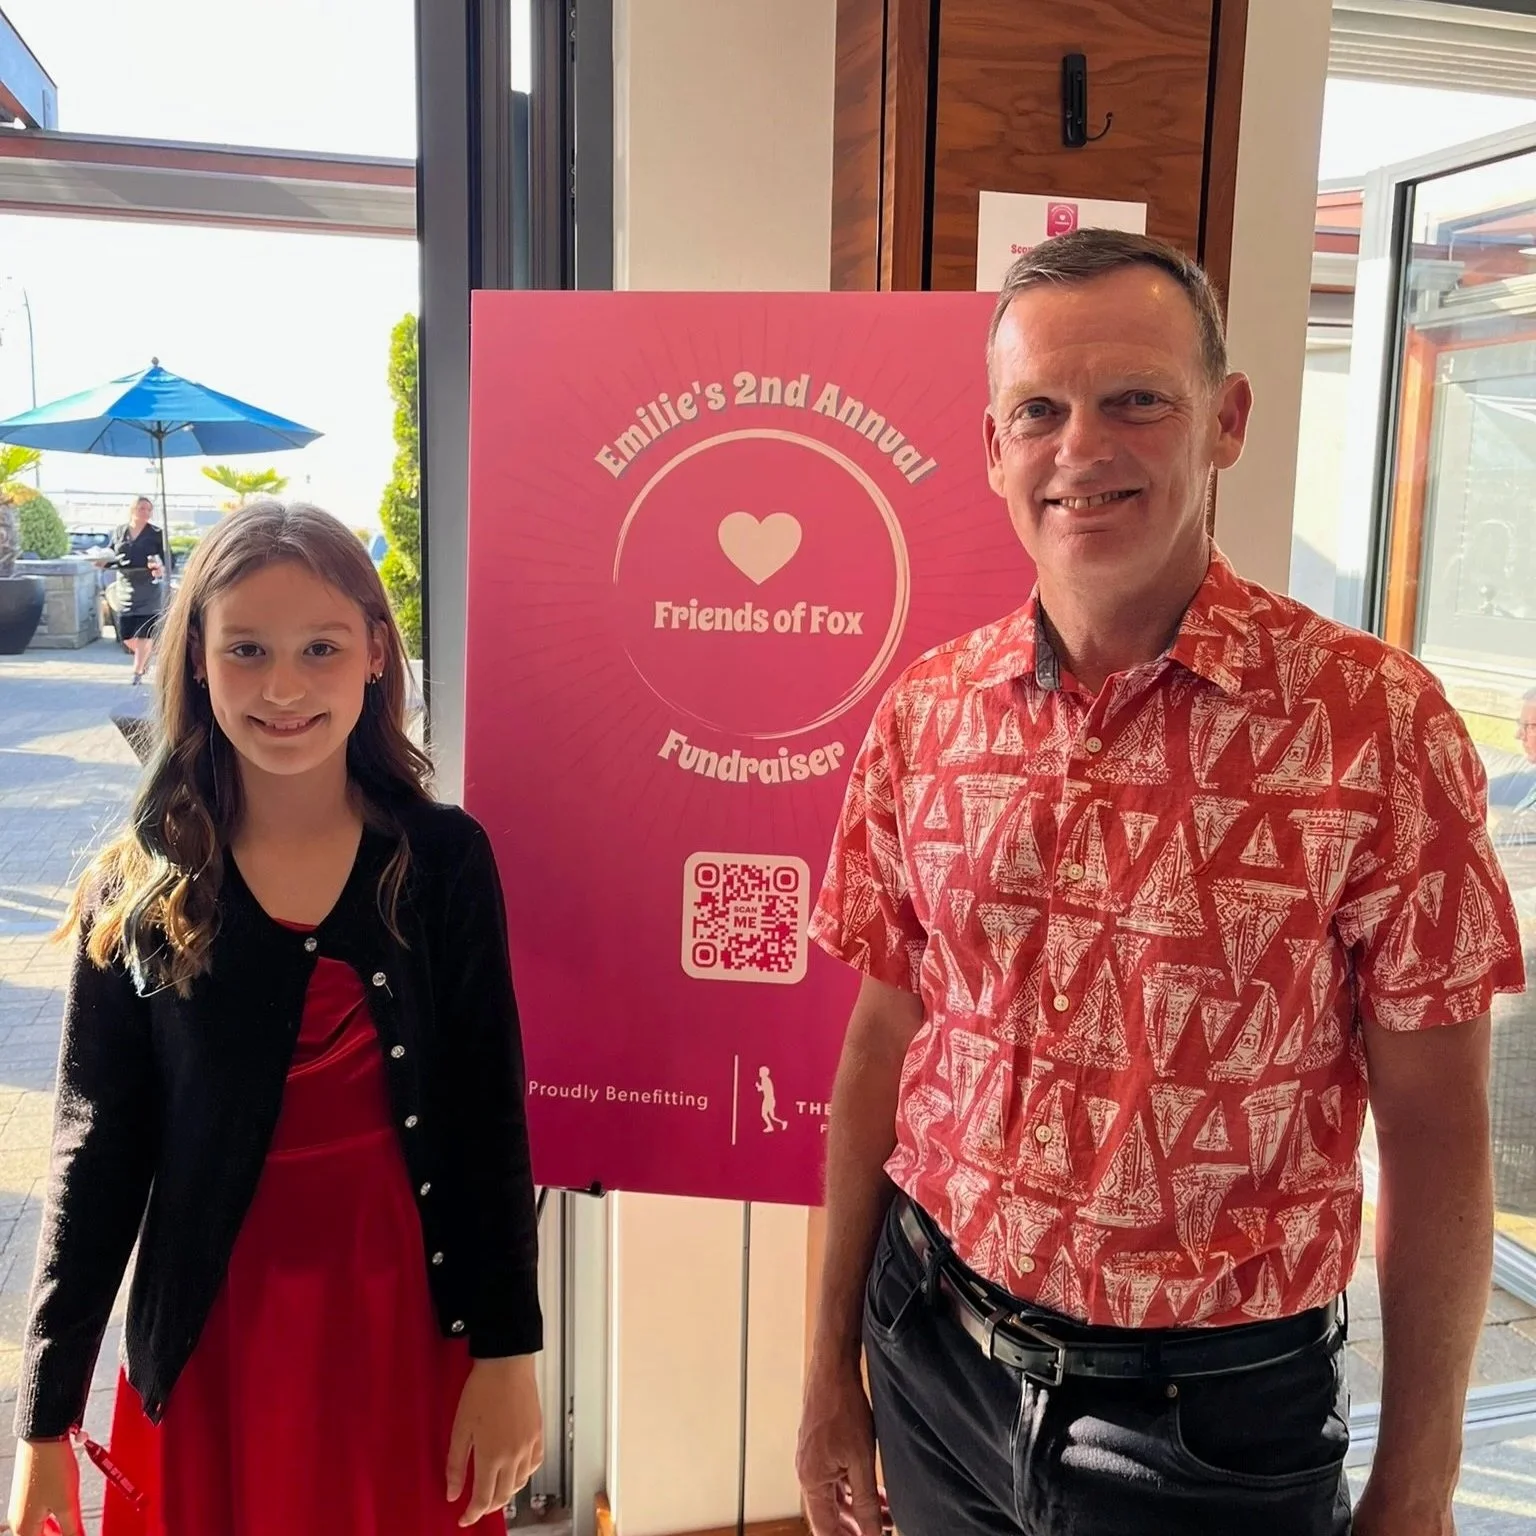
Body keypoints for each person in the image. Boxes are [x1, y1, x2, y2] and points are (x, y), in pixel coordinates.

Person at [795, 230, 1526, 1536]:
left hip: (1212, 1425)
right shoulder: (928, 716)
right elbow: (879, 1045)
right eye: (1040, 410)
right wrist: (822, 1374)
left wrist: (1418, 1478)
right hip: (934, 1350)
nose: (1083, 447)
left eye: (1137, 397)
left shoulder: (1377, 728)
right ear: (993, 447)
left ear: (1227, 419)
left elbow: (1436, 1123)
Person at [7, 501, 544, 1535]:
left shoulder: (442, 864)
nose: (286, 685)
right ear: (196, 660)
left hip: (411, 1335)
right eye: (246, 648)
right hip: (216, 1349)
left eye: (321, 648)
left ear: (376, 657)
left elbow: (489, 1118)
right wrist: (45, 1423)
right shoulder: (137, 889)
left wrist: (512, 1352)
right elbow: (94, 1156)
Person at [96, 496, 171, 685]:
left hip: (148, 585)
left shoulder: (156, 533)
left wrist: (161, 568)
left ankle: (137, 672)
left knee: (145, 632)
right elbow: (112, 554)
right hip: (126, 586)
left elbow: (169, 558)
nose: (145, 512)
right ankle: (144, 657)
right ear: (132, 510)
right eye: (141, 508)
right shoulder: (120, 531)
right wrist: (103, 562)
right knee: (127, 635)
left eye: (148, 509)